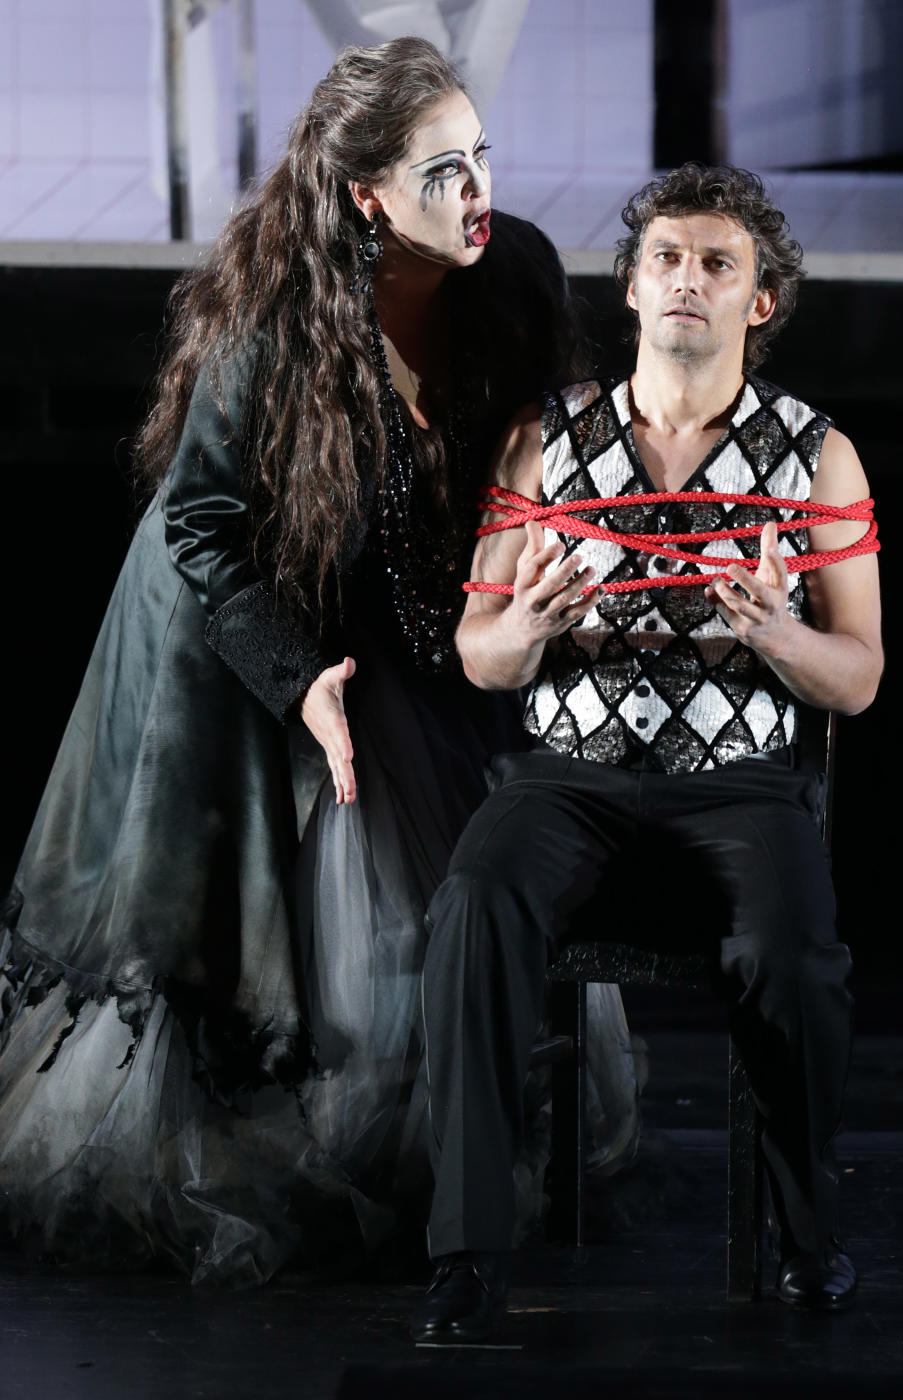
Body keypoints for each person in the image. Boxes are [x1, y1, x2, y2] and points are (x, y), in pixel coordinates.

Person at [0, 37, 640, 1286]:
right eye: (442, 171)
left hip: (401, 615)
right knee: (243, 926)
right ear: (365, 194)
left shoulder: (512, 275)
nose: (478, 192)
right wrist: (297, 678)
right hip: (236, 613)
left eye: (482, 158)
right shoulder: (279, 320)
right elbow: (198, 524)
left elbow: (553, 459)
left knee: (453, 854)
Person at [412, 162, 883, 1341]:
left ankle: (810, 1232)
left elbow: (862, 675)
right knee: (473, 896)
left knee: (796, 953)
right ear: (629, 285)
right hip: (571, 774)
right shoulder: (546, 437)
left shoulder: (816, 455)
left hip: (742, 786)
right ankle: (468, 1250)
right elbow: (479, 649)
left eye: (717, 263)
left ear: (757, 301)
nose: (687, 279)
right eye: (666, 258)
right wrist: (523, 626)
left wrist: (780, 632)